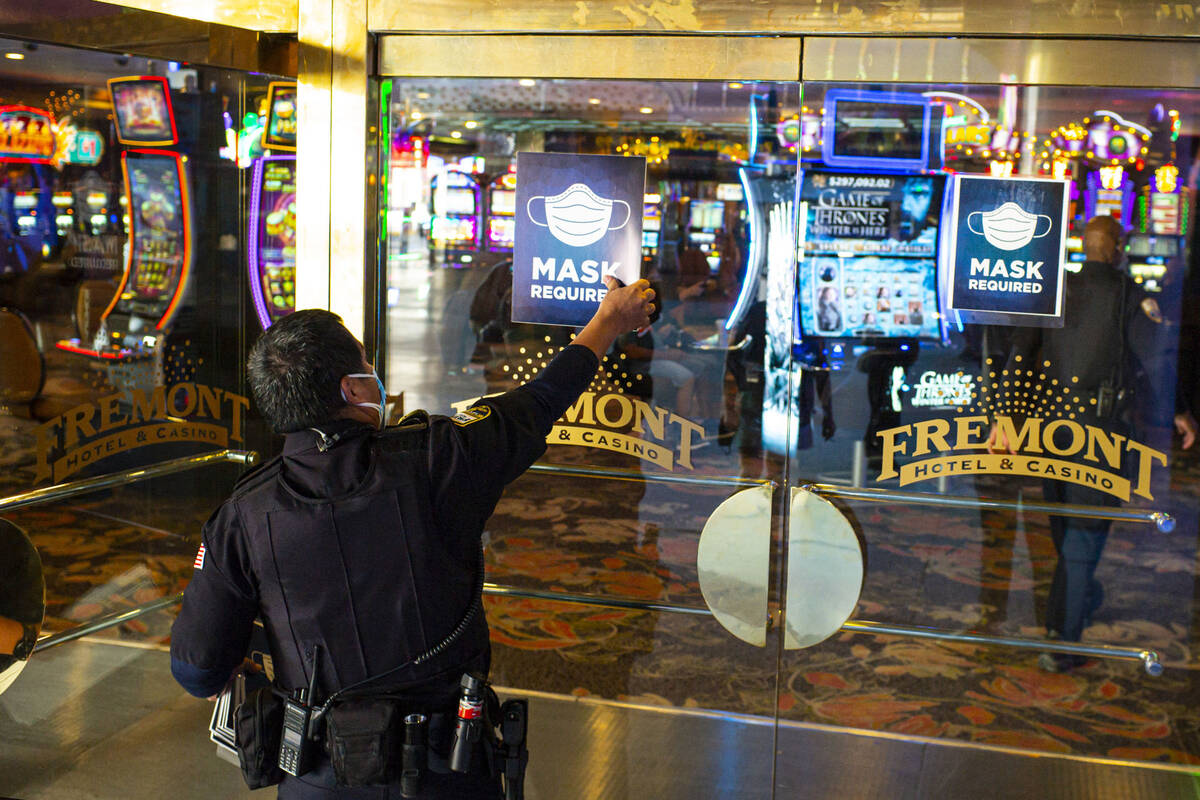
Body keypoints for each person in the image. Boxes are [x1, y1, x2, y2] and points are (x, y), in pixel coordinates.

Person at [169, 277, 656, 798]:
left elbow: (197, 667)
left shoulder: (241, 514)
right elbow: (540, 401)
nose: (375, 377)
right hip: (447, 769)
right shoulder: (437, 459)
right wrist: (609, 321)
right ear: (352, 389)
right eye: (367, 365)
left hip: (318, 775)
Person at [989, 214, 1196, 672]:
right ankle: (1062, 639)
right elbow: (1157, 362)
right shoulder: (1130, 296)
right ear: (1118, 246)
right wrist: (1179, 411)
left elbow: (1018, 354)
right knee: (1084, 533)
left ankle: (1079, 599)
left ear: (1084, 246)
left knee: (1065, 523)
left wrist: (1004, 415)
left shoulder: (1053, 290)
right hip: (1099, 433)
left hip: (1047, 429)